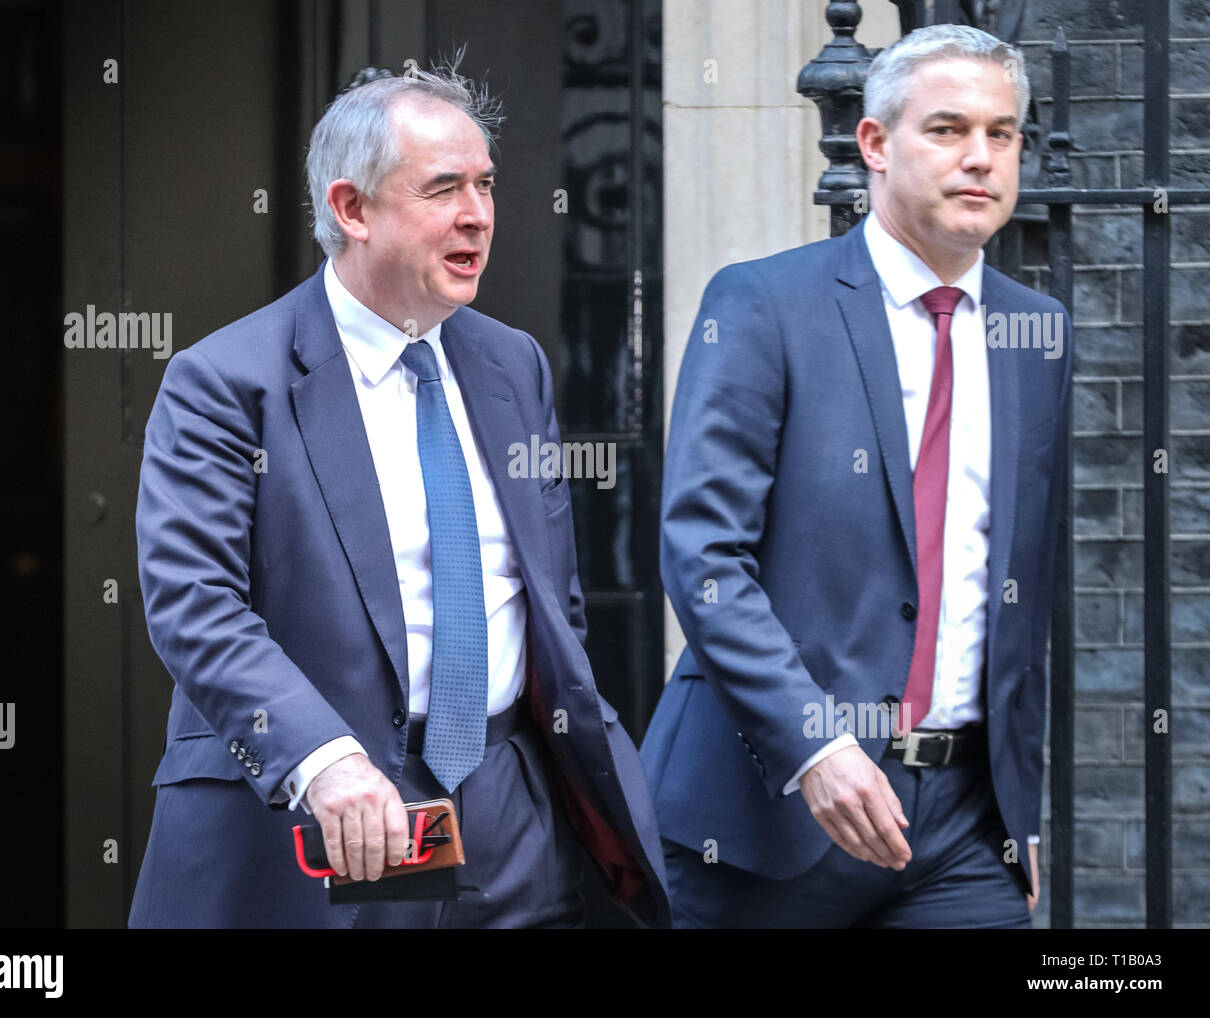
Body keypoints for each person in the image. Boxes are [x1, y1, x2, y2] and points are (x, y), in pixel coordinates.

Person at [128, 61, 668, 929]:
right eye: (443, 188)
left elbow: (547, 597)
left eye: (486, 185)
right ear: (352, 210)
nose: (478, 214)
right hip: (334, 809)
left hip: (511, 807)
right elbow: (195, 604)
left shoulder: (512, 364)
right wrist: (326, 760)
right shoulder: (226, 382)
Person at [641, 24, 1070, 928]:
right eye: (948, 130)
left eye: (1002, 134)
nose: (981, 158)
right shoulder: (764, 304)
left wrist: (1020, 811)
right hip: (768, 816)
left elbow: (1016, 589)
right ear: (873, 144)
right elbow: (704, 555)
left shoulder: (1038, 333)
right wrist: (815, 749)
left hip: (961, 829)